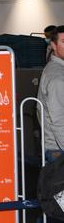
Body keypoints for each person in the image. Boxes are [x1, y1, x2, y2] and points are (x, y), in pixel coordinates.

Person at [39, 25, 64, 164]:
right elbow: (59, 121)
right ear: (53, 45)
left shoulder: (56, 69)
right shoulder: (57, 77)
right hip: (58, 149)